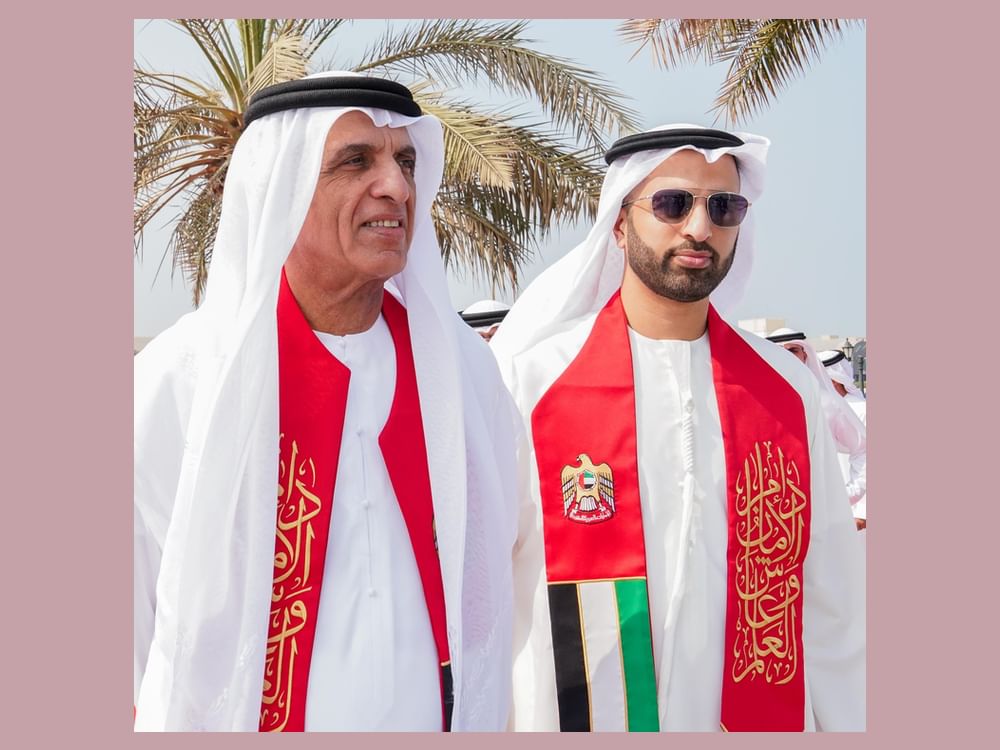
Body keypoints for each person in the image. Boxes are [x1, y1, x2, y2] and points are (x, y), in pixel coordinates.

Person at [133, 73, 518, 732]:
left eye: (405, 161)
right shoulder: (188, 376)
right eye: (355, 161)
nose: (396, 186)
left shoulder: (461, 370)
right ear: (279, 188)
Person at [491, 125, 865, 732]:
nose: (699, 227)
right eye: (672, 203)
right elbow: (487, 593)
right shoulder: (532, 382)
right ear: (618, 223)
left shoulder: (785, 394)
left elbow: (833, 604)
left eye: (724, 207)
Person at [766, 327, 866, 457]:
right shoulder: (758, 399)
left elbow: (861, 448)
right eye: (779, 352)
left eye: (793, 351)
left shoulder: (825, 400)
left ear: (805, 355)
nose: (787, 357)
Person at [820, 349, 867, 531]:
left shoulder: (862, 410)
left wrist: (862, 512)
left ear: (834, 381)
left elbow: (866, 460)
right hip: (835, 505)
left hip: (857, 512)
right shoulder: (824, 410)